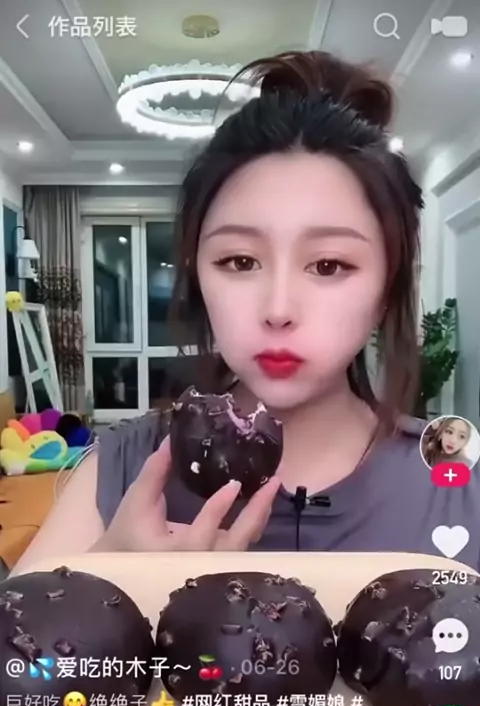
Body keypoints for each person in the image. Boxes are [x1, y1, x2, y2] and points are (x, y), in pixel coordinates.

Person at [14, 50, 480, 572]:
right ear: (198, 275)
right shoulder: (121, 466)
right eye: (239, 261)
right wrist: (108, 575)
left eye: (328, 265)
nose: (278, 310)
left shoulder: (459, 480)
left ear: (387, 288)